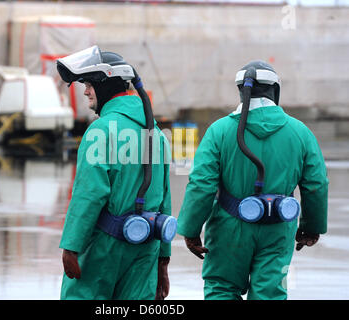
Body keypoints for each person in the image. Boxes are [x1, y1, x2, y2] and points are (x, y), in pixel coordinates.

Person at [177, 60, 328, 300]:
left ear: (241, 90)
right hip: (278, 227)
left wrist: (191, 229)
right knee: (269, 293)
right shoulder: (300, 132)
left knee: (222, 289)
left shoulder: (219, 131)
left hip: (229, 227)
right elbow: (316, 184)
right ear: (275, 90)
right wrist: (311, 227)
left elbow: (201, 183)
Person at [56, 46, 172, 300]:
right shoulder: (158, 135)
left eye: (88, 84)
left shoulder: (101, 130)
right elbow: (164, 199)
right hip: (146, 248)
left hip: (103, 248)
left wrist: (71, 247)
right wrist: (163, 259)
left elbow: (90, 194)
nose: (85, 90)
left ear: (104, 85)